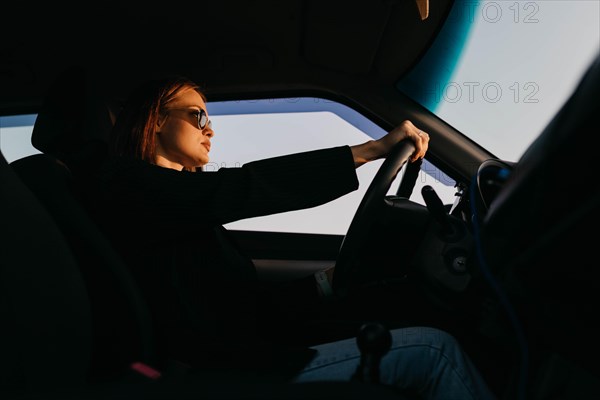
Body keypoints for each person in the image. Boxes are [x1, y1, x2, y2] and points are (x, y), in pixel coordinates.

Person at [89, 75, 496, 400]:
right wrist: (368, 151)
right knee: (435, 352)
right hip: (225, 375)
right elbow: (243, 186)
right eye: (198, 116)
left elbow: (246, 305)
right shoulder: (127, 187)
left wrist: (328, 282)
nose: (209, 130)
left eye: (209, 121)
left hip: (246, 356)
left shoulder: (181, 209)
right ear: (157, 119)